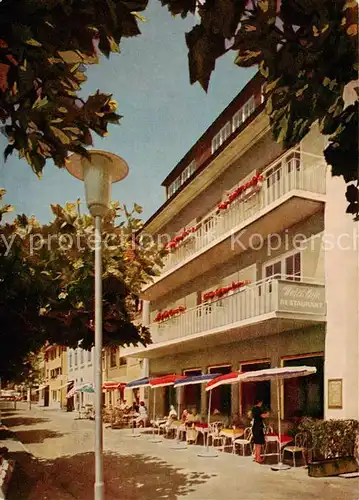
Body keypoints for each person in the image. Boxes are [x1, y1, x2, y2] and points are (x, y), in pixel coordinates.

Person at [251, 399, 270, 464]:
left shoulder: (253, 409)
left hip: (255, 427)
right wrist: (267, 414)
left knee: (256, 443)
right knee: (258, 443)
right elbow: (262, 416)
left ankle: (256, 456)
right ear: (259, 402)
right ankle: (258, 458)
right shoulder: (258, 409)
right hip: (258, 427)